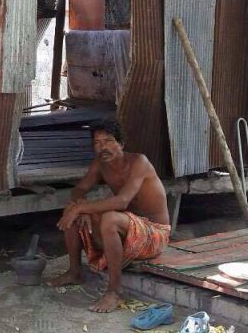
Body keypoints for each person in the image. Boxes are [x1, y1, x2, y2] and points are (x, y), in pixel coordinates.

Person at [47, 118, 171, 313]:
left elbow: (122, 201)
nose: (102, 147)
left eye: (108, 141)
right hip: (129, 228)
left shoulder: (140, 162)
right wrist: (78, 205)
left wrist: (84, 208)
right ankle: (74, 272)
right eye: (97, 143)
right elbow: (80, 189)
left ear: (121, 143)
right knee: (71, 211)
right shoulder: (100, 165)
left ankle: (114, 291)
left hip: (154, 234)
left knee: (108, 218)